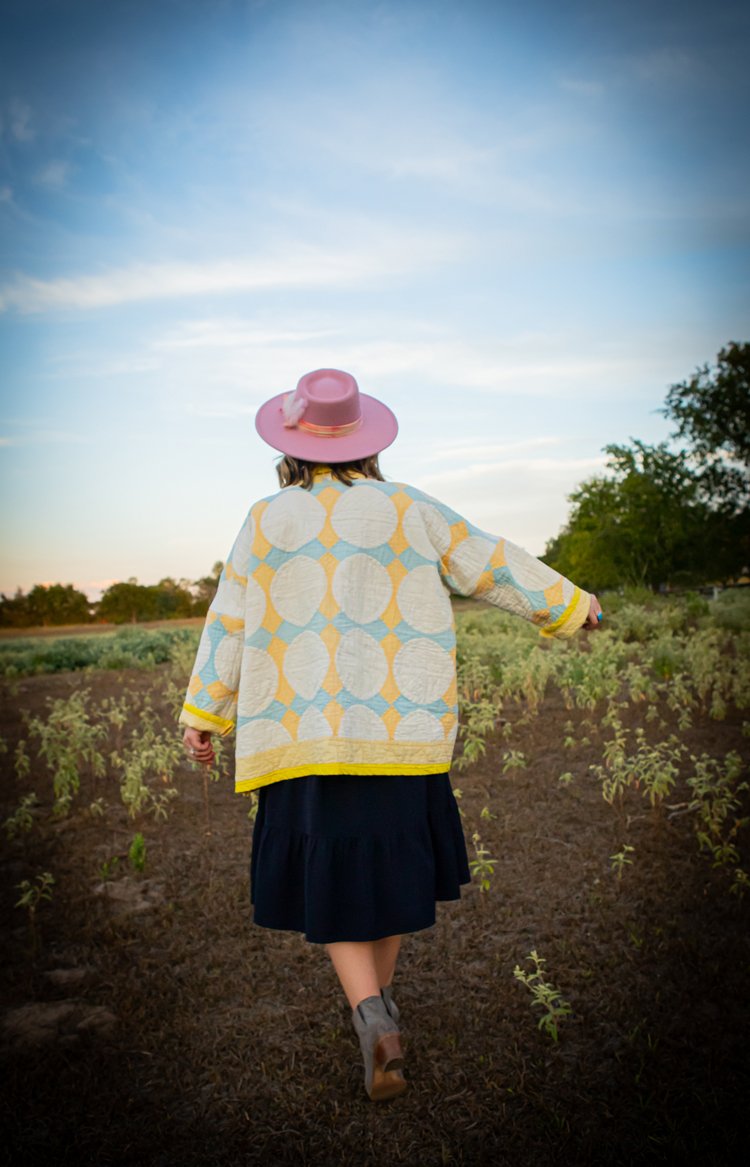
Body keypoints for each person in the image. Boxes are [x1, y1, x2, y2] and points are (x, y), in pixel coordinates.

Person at [180, 368, 602, 1102]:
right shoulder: (411, 509)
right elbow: (492, 560)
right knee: (391, 868)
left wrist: (203, 712)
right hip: (399, 731)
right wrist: (571, 604)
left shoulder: (265, 519)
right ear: (366, 443)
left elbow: (230, 619)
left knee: (330, 878)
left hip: (303, 732)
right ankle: (382, 1011)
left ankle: (370, 1011)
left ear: (290, 446)